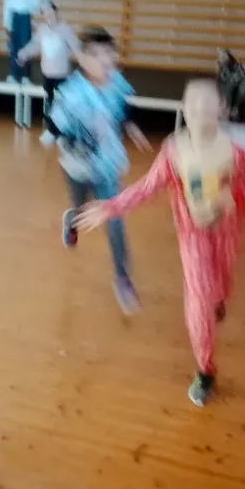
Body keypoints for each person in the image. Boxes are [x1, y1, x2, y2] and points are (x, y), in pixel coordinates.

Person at [77, 79, 245, 407]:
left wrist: (232, 193)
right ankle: (205, 369)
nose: (199, 108)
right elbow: (147, 187)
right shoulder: (174, 151)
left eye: (207, 101)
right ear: (184, 108)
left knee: (221, 285)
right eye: (192, 101)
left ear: (222, 108)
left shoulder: (242, 143)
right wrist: (110, 207)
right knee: (199, 297)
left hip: (227, 230)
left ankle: (218, 299)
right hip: (192, 235)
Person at [48, 26, 151, 315]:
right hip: (77, 167)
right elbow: (56, 126)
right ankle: (71, 220)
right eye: (95, 54)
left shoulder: (116, 83)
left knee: (114, 220)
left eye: (108, 53)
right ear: (82, 59)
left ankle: (122, 277)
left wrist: (131, 127)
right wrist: (74, 141)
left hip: (107, 165)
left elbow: (121, 109)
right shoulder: (70, 93)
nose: (104, 60)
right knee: (81, 210)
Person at [17, 1, 79, 144]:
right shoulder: (42, 29)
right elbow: (34, 45)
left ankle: (64, 130)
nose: (47, 14)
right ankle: (52, 129)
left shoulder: (65, 29)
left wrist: (88, 60)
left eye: (49, 10)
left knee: (63, 102)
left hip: (62, 74)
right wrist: (23, 54)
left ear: (55, 11)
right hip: (47, 73)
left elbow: (76, 46)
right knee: (49, 101)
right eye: (44, 12)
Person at [3, 0, 50, 84]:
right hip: (14, 17)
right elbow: (7, 5)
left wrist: (39, 6)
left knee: (25, 46)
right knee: (13, 47)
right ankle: (13, 74)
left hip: (25, 17)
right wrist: (6, 23)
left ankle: (25, 76)